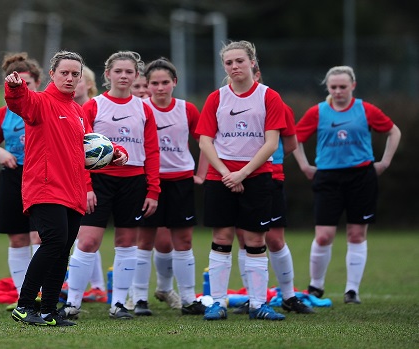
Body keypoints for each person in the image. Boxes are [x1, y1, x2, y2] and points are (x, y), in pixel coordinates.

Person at [4, 50, 127, 327]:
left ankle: (48, 310)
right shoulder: (40, 102)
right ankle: (24, 306)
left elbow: (90, 143)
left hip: (72, 191)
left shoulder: (77, 111)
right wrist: (14, 87)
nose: (70, 78)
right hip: (46, 187)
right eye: (64, 73)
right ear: (52, 74)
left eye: (75, 74)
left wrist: (116, 152)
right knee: (54, 243)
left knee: (62, 249)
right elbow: (20, 102)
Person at [60, 50, 160, 320]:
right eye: (118, 71)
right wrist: (87, 186)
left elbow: (152, 152)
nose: (124, 76)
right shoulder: (93, 106)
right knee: (88, 241)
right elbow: (77, 149)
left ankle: (119, 304)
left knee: (127, 242)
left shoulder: (145, 109)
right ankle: (72, 303)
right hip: (100, 182)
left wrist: (153, 190)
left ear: (137, 75)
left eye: (129, 72)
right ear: (107, 75)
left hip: (134, 183)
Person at [293, 65, 401, 304]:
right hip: (328, 178)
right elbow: (295, 139)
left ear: (353, 86)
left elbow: (394, 132)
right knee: (323, 235)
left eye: (343, 86)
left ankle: (352, 290)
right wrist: (304, 165)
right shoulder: (317, 112)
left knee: (356, 234)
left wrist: (384, 162)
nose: (339, 91)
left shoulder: (366, 110)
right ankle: (316, 286)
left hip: (361, 177)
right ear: (328, 88)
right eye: (334, 87)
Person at [196, 40, 287, 321]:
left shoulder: (269, 97)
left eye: (239, 61)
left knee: (255, 238)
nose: (234, 67)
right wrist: (226, 173)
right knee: (221, 238)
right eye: (229, 62)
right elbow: (204, 141)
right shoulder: (217, 97)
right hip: (220, 177)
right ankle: (218, 303)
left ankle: (258, 304)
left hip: (257, 176)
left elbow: (271, 144)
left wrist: (243, 173)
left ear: (252, 63)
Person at [233, 63, 314, 315]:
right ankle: (252, 296)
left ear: (257, 75)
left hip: (270, 178)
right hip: (235, 178)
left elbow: (290, 143)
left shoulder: (276, 104)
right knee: (243, 239)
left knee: (275, 239)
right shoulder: (228, 104)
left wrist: (268, 162)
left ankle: (289, 295)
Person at [131, 57, 209, 316]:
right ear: (147, 84)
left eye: (165, 82)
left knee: (183, 240)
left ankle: (188, 299)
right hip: (148, 181)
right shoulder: (139, 108)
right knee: (145, 240)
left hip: (180, 182)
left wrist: (200, 173)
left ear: (175, 82)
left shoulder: (187, 109)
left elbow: (206, 141)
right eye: (155, 83)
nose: (160, 87)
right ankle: (140, 298)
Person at [0, 52, 43, 305]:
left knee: (40, 235)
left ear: (37, 84)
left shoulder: (45, 108)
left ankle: (41, 291)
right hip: (13, 177)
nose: (21, 88)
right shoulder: (3, 113)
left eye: (26, 84)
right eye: (15, 84)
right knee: (17, 237)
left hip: (42, 177)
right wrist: (0, 151)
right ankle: (22, 296)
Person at [71, 65, 109, 303]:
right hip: (77, 178)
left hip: (99, 180)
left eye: (79, 79)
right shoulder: (68, 109)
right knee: (82, 236)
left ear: (90, 84)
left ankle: (97, 286)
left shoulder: (96, 107)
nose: (74, 82)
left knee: (87, 236)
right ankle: (84, 285)